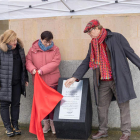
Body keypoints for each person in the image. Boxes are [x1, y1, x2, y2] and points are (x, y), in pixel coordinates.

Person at [65, 19, 140, 140]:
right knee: (101, 107)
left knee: (124, 106)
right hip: (103, 80)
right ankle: (103, 130)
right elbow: (86, 62)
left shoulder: (117, 37)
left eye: (90, 32)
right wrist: (75, 77)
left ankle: (126, 132)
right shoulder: (93, 44)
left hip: (118, 79)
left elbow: (130, 53)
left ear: (97, 29)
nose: (89, 35)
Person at [26, 31, 61, 134]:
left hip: (52, 80)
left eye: (50, 41)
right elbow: (28, 61)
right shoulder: (33, 49)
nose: (48, 44)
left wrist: (42, 70)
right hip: (39, 82)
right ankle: (46, 124)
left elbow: (55, 62)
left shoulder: (55, 49)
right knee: (42, 104)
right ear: (41, 39)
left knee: (52, 104)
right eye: (46, 41)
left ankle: (53, 123)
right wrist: (32, 69)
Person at [0, 30, 29, 137]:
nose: (15, 42)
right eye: (12, 41)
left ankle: (15, 126)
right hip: (3, 83)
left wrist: (25, 78)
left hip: (17, 82)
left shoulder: (20, 49)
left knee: (16, 104)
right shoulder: (1, 50)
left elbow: (23, 65)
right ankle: (8, 127)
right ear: (7, 41)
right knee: (4, 105)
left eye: (15, 40)